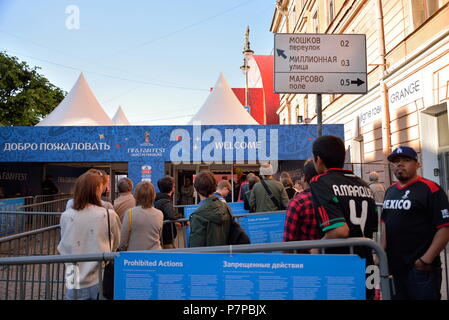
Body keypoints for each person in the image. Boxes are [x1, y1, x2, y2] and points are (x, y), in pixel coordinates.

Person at [309, 135, 378, 299]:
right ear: (343, 157)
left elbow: (340, 231)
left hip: (340, 265)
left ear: (318, 160)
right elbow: (373, 228)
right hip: (366, 263)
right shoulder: (363, 184)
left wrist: (318, 247)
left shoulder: (320, 182)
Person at [381, 146, 449, 300]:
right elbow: (385, 222)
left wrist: (425, 260)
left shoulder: (431, 189)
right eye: (396, 161)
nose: (400, 164)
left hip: (420, 270)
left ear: (417, 164)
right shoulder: (390, 190)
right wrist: (380, 251)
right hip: (395, 268)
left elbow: (445, 227)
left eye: (406, 160)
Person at [57, 172, 121, 300]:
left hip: (72, 272)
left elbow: (64, 242)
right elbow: (116, 243)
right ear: (97, 189)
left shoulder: (66, 216)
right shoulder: (109, 215)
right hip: (97, 273)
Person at [283, 160, 321, 253]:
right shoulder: (331, 199)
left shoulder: (297, 203)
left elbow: (288, 242)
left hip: (303, 260)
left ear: (304, 178)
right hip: (330, 259)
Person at [189, 171, 231, 247]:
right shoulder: (226, 207)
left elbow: (196, 248)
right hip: (225, 255)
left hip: (207, 257)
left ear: (196, 188)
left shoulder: (198, 216)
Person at [118, 181, 163, 251]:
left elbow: (123, 240)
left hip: (135, 257)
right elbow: (159, 235)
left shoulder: (130, 213)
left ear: (136, 195)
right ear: (153, 195)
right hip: (155, 255)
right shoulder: (159, 214)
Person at [155, 176, 182, 249]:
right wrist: (181, 217)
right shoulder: (165, 201)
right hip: (166, 238)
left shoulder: (158, 199)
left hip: (161, 236)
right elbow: (171, 215)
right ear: (172, 188)